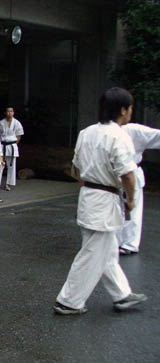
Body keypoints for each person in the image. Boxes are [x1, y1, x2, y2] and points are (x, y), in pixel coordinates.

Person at [54, 87, 147, 315]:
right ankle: (69, 301)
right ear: (122, 110)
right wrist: (131, 200)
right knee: (93, 252)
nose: (131, 111)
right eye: (130, 108)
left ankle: (121, 294)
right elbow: (127, 174)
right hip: (105, 198)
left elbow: (76, 168)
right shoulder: (119, 136)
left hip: (89, 194)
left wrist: (89, 183)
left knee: (107, 250)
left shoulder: (86, 133)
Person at [117, 123, 160, 255]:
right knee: (115, 209)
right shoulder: (103, 130)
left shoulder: (133, 130)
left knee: (131, 210)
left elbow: (156, 136)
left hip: (130, 171)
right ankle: (116, 241)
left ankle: (129, 243)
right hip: (112, 173)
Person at [0, 107, 24, 191]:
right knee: (0, 164)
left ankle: (8, 184)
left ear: (13, 113)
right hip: (2, 145)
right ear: (5, 113)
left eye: (11, 111)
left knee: (11, 166)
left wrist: (14, 145)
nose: (9, 113)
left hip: (12, 145)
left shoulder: (17, 123)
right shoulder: (0, 123)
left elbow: (18, 136)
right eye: (8, 111)